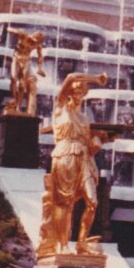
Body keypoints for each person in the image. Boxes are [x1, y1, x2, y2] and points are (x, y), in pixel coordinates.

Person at [37, 71, 113, 258]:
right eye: (76, 91)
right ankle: (63, 244)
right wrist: (95, 79)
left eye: (82, 92)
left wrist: (102, 140)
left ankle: (81, 243)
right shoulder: (60, 108)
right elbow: (70, 76)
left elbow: (89, 145)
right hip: (65, 155)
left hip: (84, 159)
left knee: (92, 202)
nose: (79, 95)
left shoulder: (85, 118)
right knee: (65, 203)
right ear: (69, 93)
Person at [3, 29, 46, 116]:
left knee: (22, 84)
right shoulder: (24, 35)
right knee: (13, 78)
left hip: (26, 61)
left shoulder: (38, 45)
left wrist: (40, 68)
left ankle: (18, 105)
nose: (32, 43)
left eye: (35, 42)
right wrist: (12, 30)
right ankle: (14, 99)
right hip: (17, 58)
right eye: (33, 41)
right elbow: (10, 29)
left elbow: (40, 56)